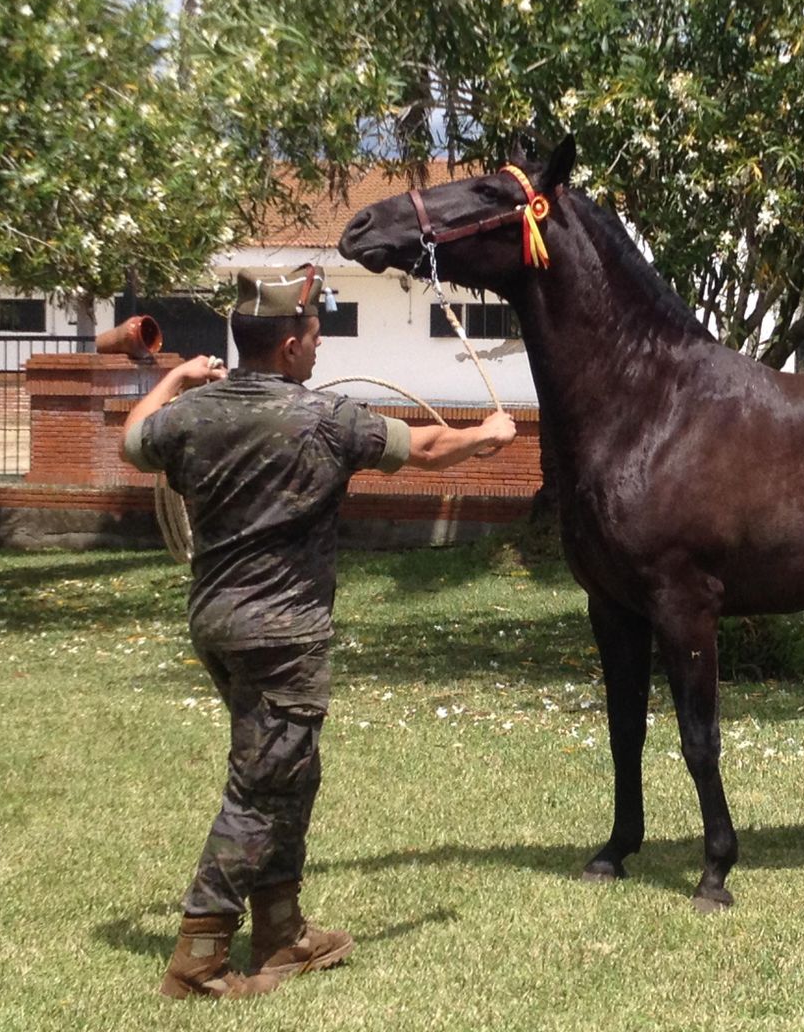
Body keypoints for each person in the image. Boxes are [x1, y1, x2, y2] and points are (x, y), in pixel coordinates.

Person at [121, 264, 517, 1000]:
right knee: (260, 787)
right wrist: (489, 435)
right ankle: (199, 960)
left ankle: (281, 933)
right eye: (312, 334)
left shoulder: (191, 415)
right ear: (289, 347)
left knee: (289, 772)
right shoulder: (324, 419)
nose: (319, 345)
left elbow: (133, 440)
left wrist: (175, 379)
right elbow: (428, 450)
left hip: (216, 624)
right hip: (280, 635)